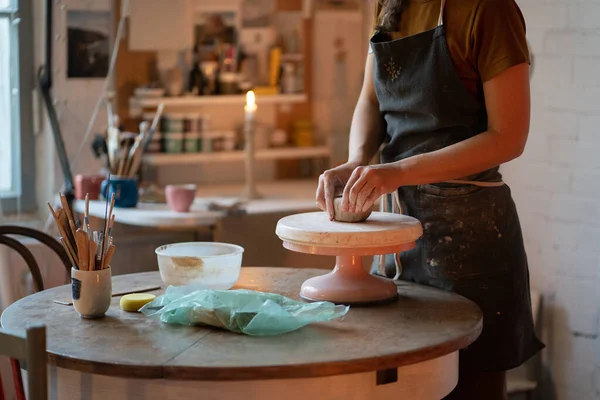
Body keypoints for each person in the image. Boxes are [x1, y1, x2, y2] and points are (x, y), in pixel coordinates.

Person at [315, 0, 545, 398]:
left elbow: (509, 135)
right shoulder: (390, 4)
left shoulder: (488, 9)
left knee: (468, 384)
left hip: (470, 241)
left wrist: (398, 172)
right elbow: (371, 100)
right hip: (398, 234)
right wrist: (356, 161)